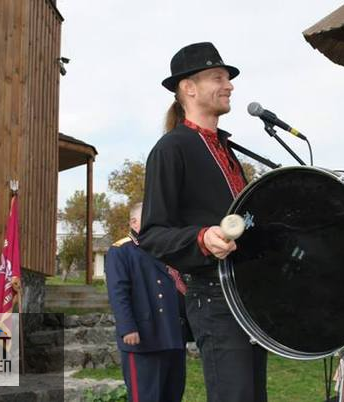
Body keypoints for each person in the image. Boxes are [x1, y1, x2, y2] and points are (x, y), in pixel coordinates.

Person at [139, 42, 268, 402]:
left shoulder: (225, 147)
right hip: (213, 298)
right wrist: (202, 238)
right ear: (188, 88)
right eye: (218, 77)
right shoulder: (171, 149)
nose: (229, 86)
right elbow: (152, 234)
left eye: (228, 78)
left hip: (248, 297)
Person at [106, 202, 188, 402]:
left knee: (172, 396)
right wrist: (127, 327)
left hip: (173, 336)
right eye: (151, 218)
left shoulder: (166, 249)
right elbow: (118, 292)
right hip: (144, 337)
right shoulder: (121, 251)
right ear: (134, 222)